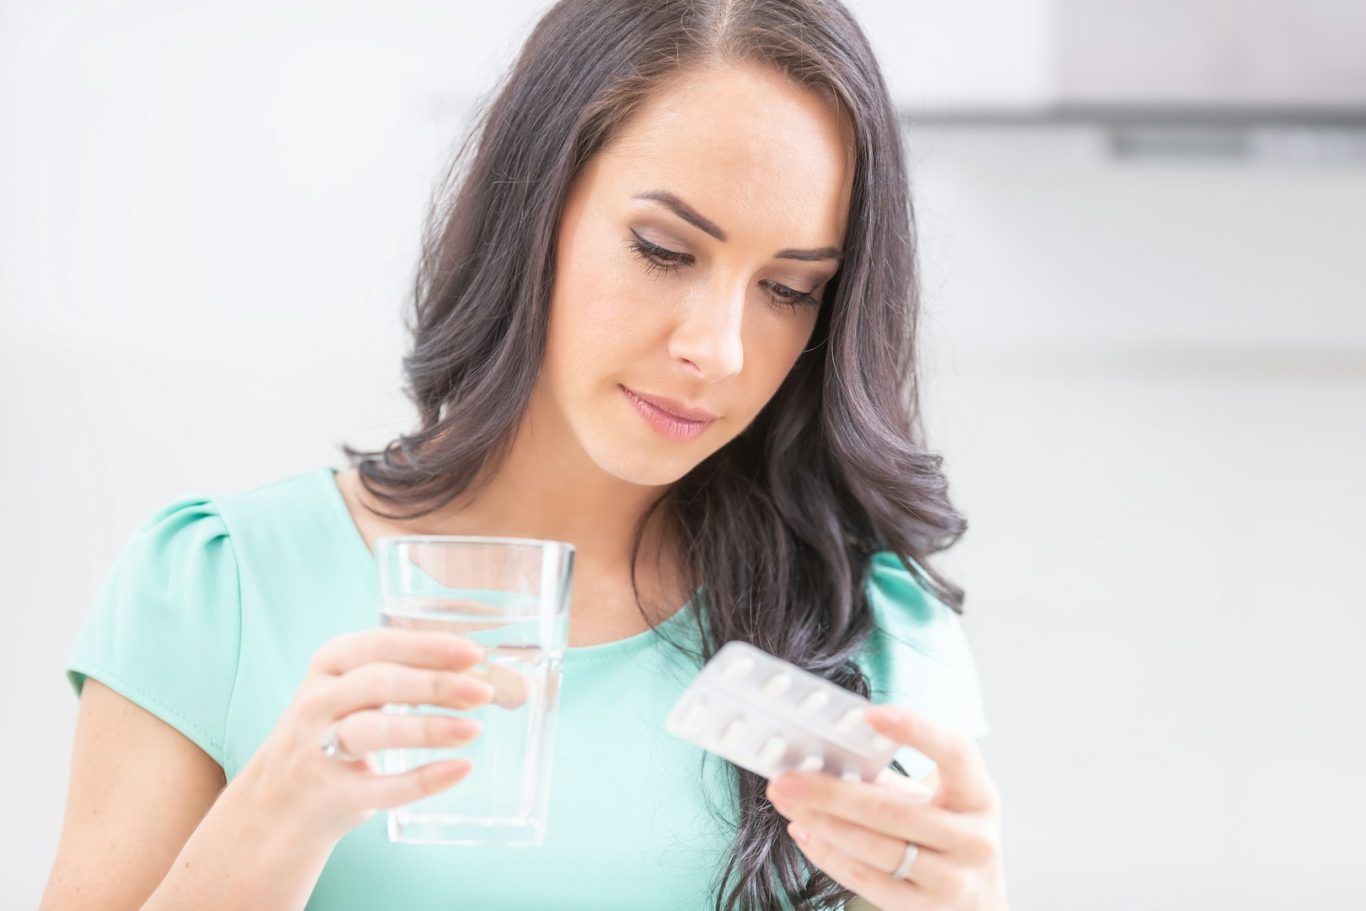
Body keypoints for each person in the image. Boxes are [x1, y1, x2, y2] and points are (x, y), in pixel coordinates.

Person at [41, 1, 1010, 909]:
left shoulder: (872, 636)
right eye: (664, 249)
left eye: (789, 289)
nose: (717, 348)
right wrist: (275, 819)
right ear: (533, 209)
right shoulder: (219, 587)